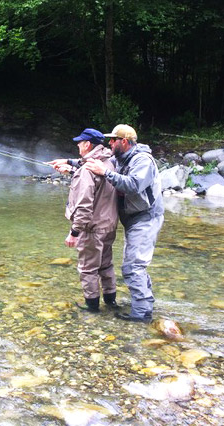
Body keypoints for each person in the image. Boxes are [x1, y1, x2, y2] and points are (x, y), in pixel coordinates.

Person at [85, 124, 164, 323]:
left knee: (133, 267)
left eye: (113, 140)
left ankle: (142, 315)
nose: (109, 143)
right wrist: (69, 164)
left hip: (146, 217)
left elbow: (134, 185)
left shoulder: (142, 160)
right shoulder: (119, 158)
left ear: (124, 142)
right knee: (134, 264)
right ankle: (144, 303)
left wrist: (106, 173)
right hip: (132, 217)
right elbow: (98, 164)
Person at [48, 128, 119, 312]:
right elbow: (96, 182)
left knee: (88, 269)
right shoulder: (108, 162)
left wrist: (74, 232)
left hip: (92, 229)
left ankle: (92, 307)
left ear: (87, 145)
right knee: (105, 265)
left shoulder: (86, 171)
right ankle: (111, 303)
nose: (78, 146)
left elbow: (85, 206)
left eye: (79, 143)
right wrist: (71, 168)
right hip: (109, 226)